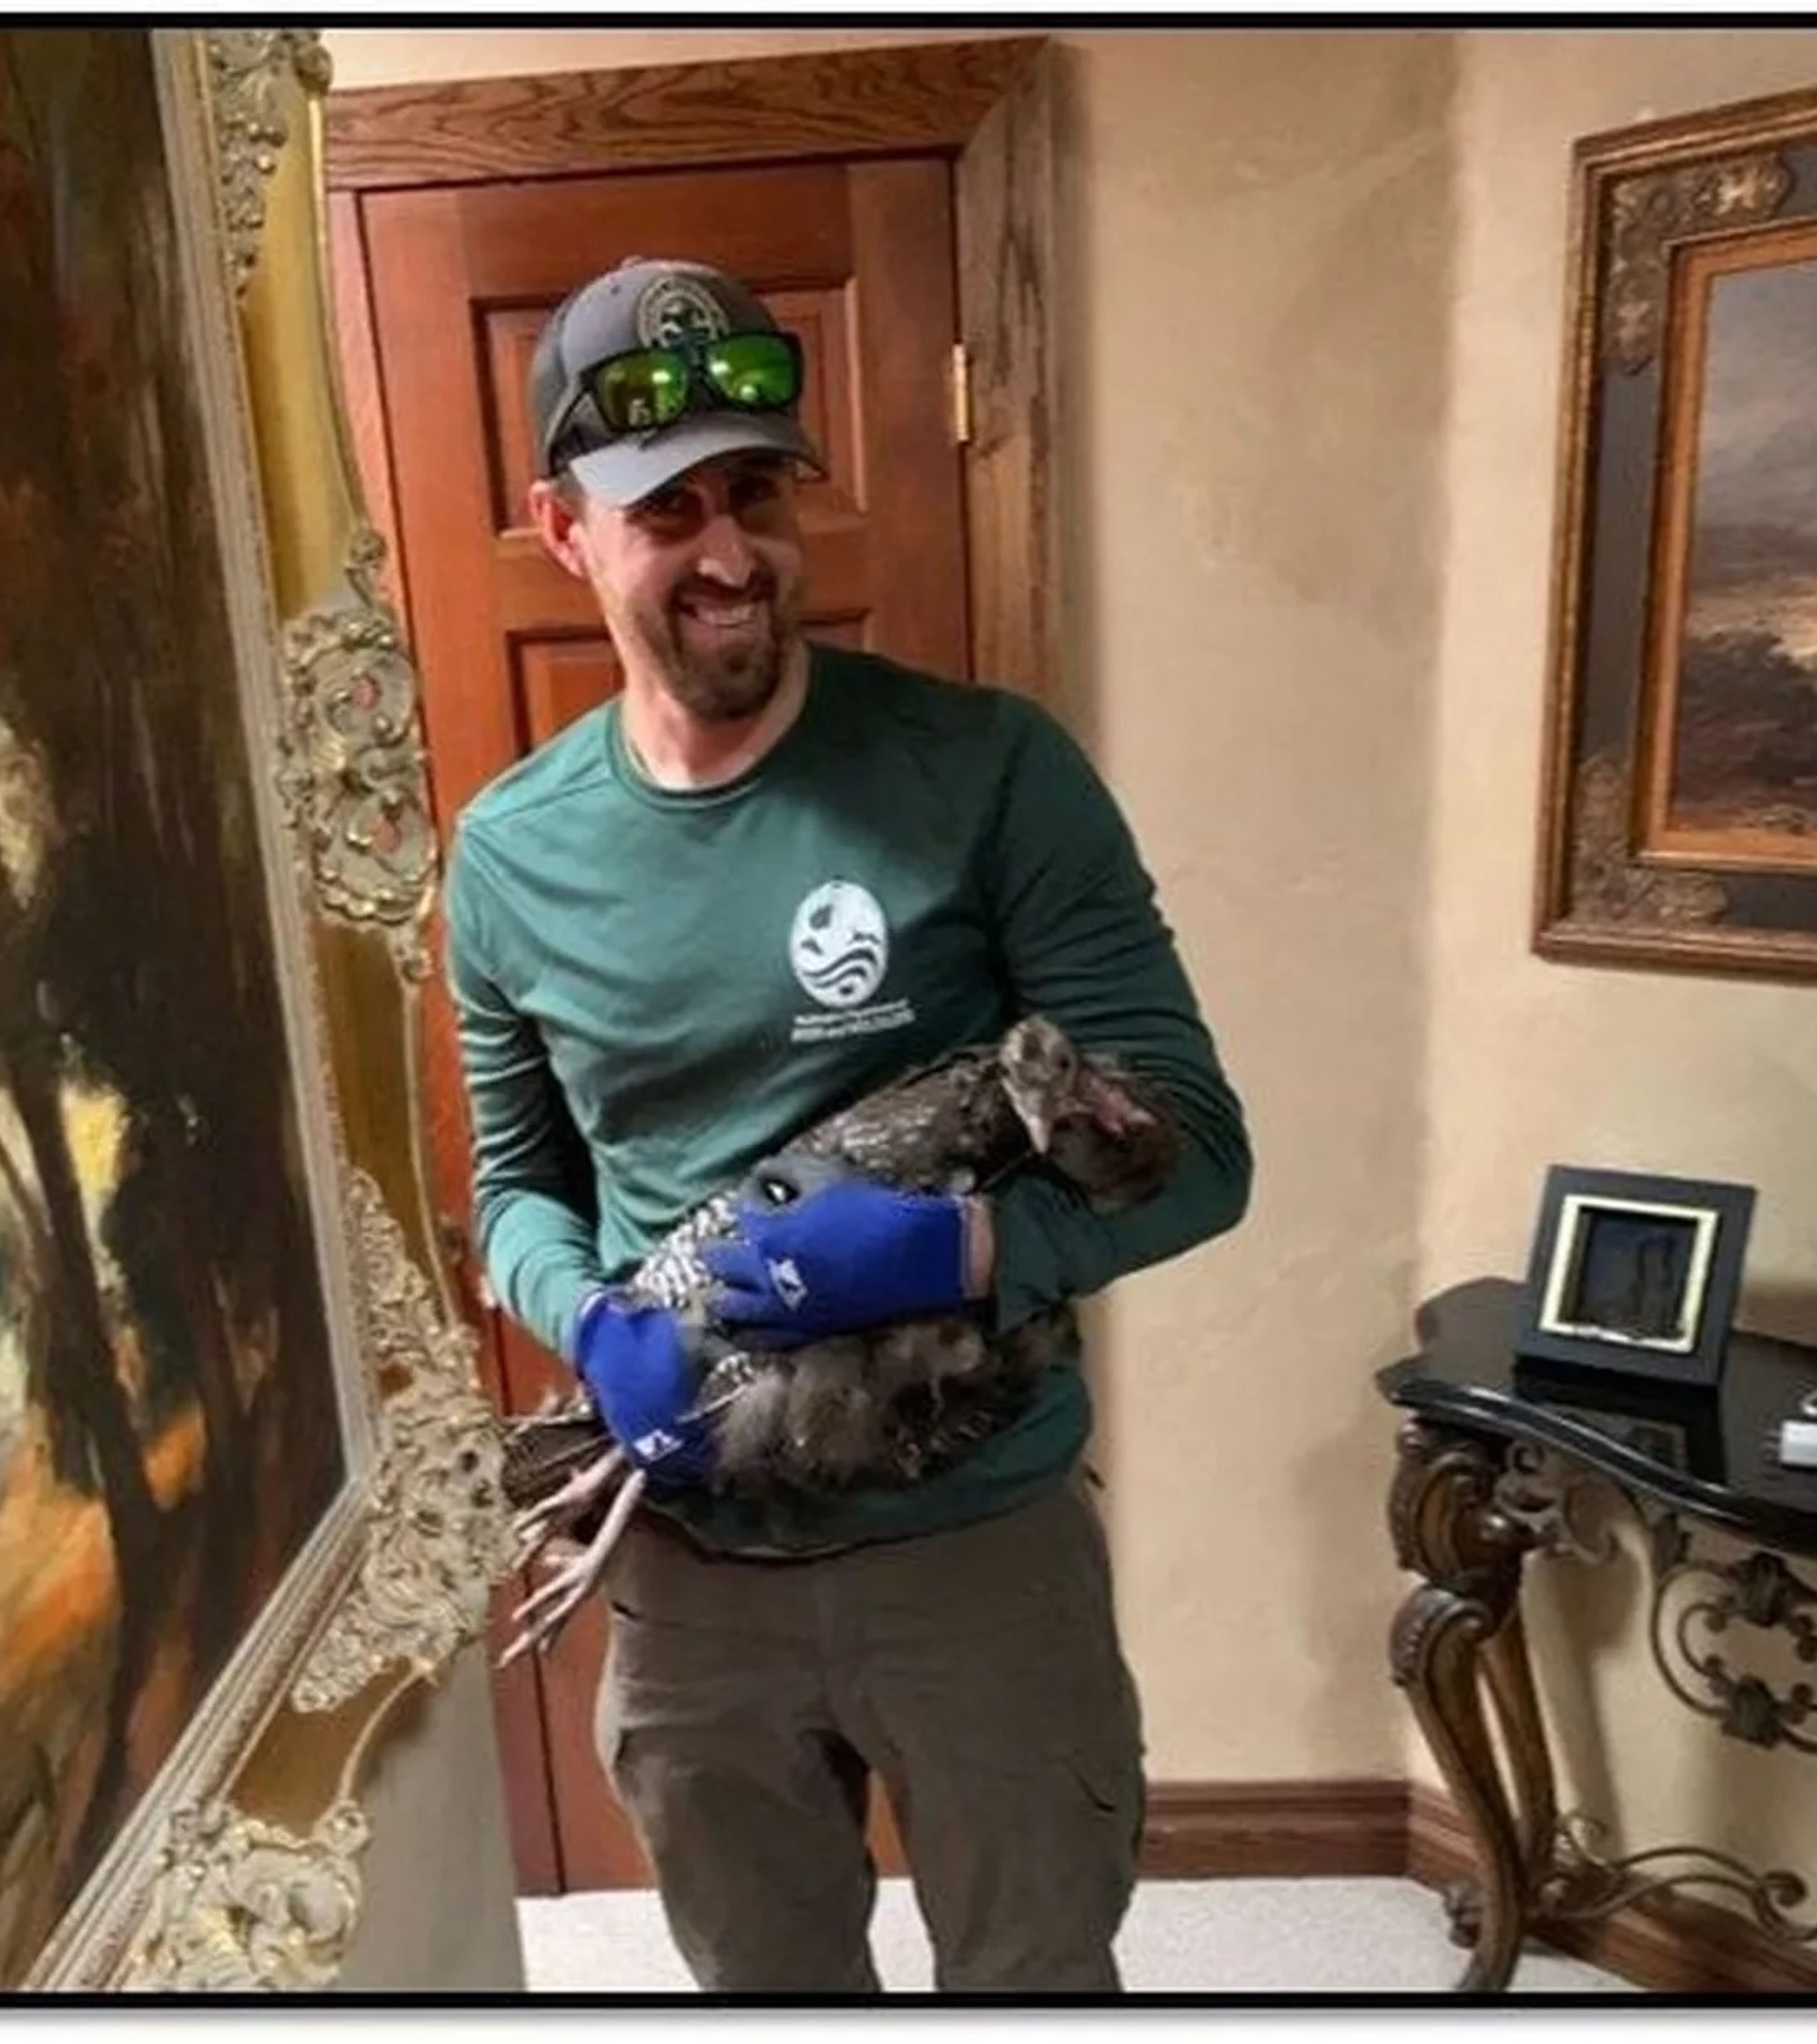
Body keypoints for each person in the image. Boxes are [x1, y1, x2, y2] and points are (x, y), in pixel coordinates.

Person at [443, 255, 1253, 1994]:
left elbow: (1200, 1145)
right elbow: (513, 1183)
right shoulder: (508, 853)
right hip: (688, 1562)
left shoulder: (990, 770)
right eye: (668, 509)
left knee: (1037, 1969)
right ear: (563, 529)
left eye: (757, 494)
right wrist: (587, 1319)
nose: (731, 554)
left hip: (977, 1540)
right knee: (764, 1981)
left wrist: (969, 1242)